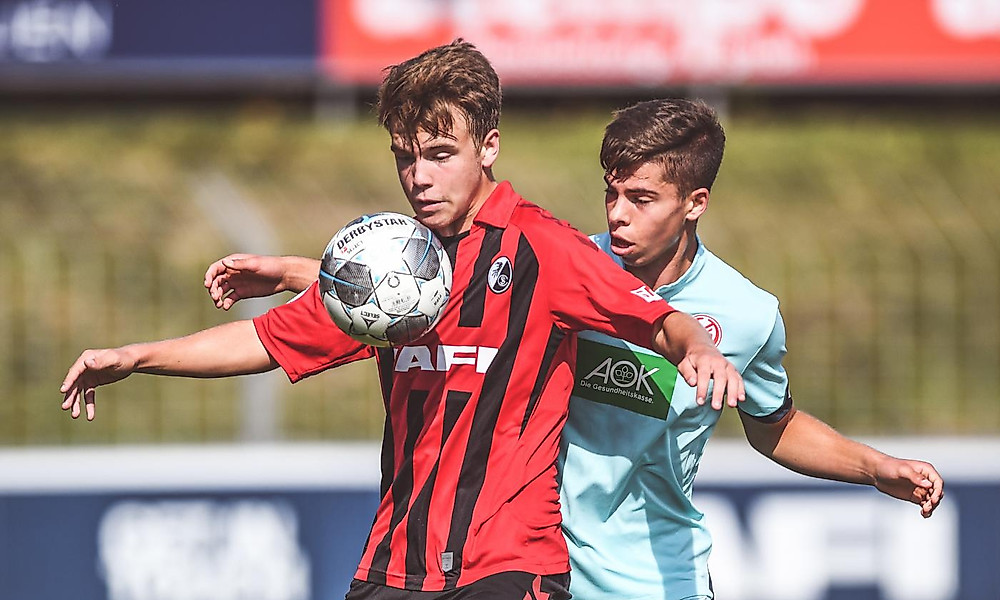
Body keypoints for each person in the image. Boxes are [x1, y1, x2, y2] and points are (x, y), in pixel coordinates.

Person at [60, 42, 744, 600]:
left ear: (488, 147)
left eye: (440, 155)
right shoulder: (390, 267)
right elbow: (266, 339)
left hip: (508, 569)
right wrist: (135, 356)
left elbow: (657, 319)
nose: (419, 177)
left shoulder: (543, 249)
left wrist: (698, 349)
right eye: (404, 157)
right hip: (393, 564)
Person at [206, 98, 945, 600]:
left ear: (695, 204)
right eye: (610, 194)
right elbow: (428, 288)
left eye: (641, 200)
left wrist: (874, 467)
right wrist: (304, 270)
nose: (617, 216)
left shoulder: (746, 314)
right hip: (532, 567)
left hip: (655, 575)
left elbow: (774, 424)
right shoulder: (559, 263)